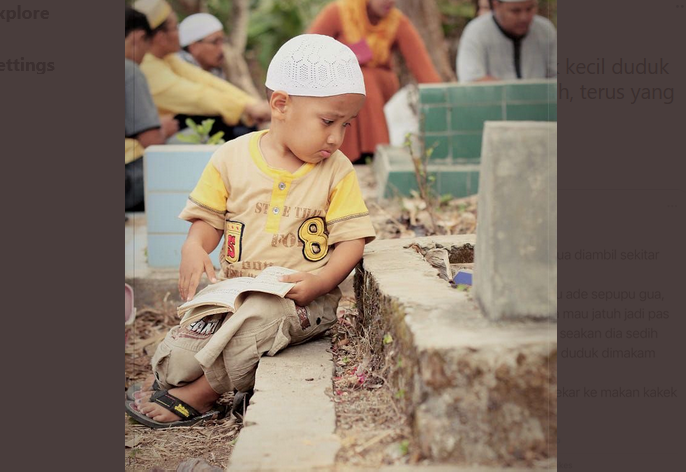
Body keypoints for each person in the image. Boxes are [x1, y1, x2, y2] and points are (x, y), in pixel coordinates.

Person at [125, 34, 376, 428]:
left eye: (345, 124)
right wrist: (195, 245)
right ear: (280, 105)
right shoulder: (231, 156)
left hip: (299, 302)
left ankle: (202, 395)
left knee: (258, 319)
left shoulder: (337, 170)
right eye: (328, 122)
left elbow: (352, 240)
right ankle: (189, 379)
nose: (336, 137)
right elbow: (210, 219)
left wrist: (319, 281)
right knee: (174, 363)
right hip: (232, 294)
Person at [308, 0, 441, 163]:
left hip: (378, 84)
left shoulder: (396, 22)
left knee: (364, 78)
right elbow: (307, 50)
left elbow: (424, 70)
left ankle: (374, 151)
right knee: (355, 77)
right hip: (336, 82)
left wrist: (444, 100)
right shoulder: (340, 11)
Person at [133, 0, 270, 141]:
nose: (180, 33)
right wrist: (247, 107)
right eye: (175, 28)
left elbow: (204, 80)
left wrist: (250, 104)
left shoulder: (166, 59)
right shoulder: (146, 67)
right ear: (161, 37)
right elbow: (196, 95)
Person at [125, 6, 178, 212]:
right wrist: (162, 127)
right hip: (126, 185)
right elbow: (152, 142)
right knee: (189, 165)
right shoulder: (129, 71)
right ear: (139, 37)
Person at [457, 0, 557, 83]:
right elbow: (472, 80)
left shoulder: (545, 31)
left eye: (529, 9)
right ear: (496, 5)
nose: (524, 17)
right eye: (515, 11)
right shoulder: (477, 32)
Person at [178, 13, 227, 80]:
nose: (221, 48)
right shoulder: (180, 75)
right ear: (194, 47)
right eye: (214, 42)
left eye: (222, 42)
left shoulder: (216, 72)